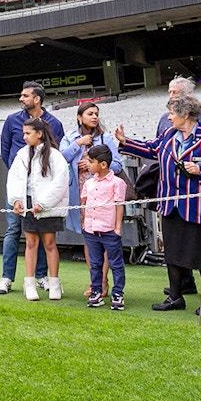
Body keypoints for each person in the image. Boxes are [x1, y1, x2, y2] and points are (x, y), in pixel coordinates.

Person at [116, 95, 201, 315]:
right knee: (172, 254)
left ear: (185, 114)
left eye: (172, 113)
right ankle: (175, 297)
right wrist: (125, 141)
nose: (169, 117)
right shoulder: (169, 135)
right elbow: (152, 150)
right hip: (171, 206)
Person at [0, 81, 64, 295]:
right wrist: (21, 179)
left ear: (37, 99)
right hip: (19, 190)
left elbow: (56, 155)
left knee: (43, 234)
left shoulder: (55, 123)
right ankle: (7, 277)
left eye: (25, 96)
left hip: (43, 191)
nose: (21, 99)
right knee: (14, 230)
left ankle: (42, 277)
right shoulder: (11, 120)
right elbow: (6, 151)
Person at [153, 77, 201, 296]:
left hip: (198, 200)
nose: (170, 95)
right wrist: (126, 143)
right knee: (175, 247)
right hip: (171, 198)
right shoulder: (167, 125)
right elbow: (156, 149)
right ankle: (180, 289)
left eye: (175, 92)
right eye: (169, 92)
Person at [60, 102, 125, 297]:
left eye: (96, 113)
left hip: (105, 195)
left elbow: (118, 165)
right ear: (80, 117)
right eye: (90, 113)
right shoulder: (70, 137)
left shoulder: (105, 138)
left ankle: (104, 281)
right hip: (80, 192)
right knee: (89, 238)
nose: (94, 117)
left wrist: (97, 167)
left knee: (105, 236)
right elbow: (60, 159)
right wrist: (78, 145)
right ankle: (95, 281)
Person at [6, 118, 69, 301]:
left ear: (39, 134)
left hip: (48, 206)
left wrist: (44, 203)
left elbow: (60, 182)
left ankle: (54, 282)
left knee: (49, 243)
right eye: (23, 133)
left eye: (28, 133)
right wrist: (16, 200)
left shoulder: (55, 155)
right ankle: (29, 283)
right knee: (31, 243)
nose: (24, 137)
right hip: (29, 204)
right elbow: (15, 178)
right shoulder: (22, 154)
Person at [81, 144, 127, 310]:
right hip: (91, 230)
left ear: (103, 165)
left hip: (109, 230)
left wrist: (117, 228)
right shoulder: (89, 183)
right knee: (95, 263)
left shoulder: (117, 183)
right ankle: (96, 292)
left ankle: (117, 293)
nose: (88, 164)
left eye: (91, 161)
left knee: (115, 263)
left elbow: (119, 205)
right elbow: (84, 201)